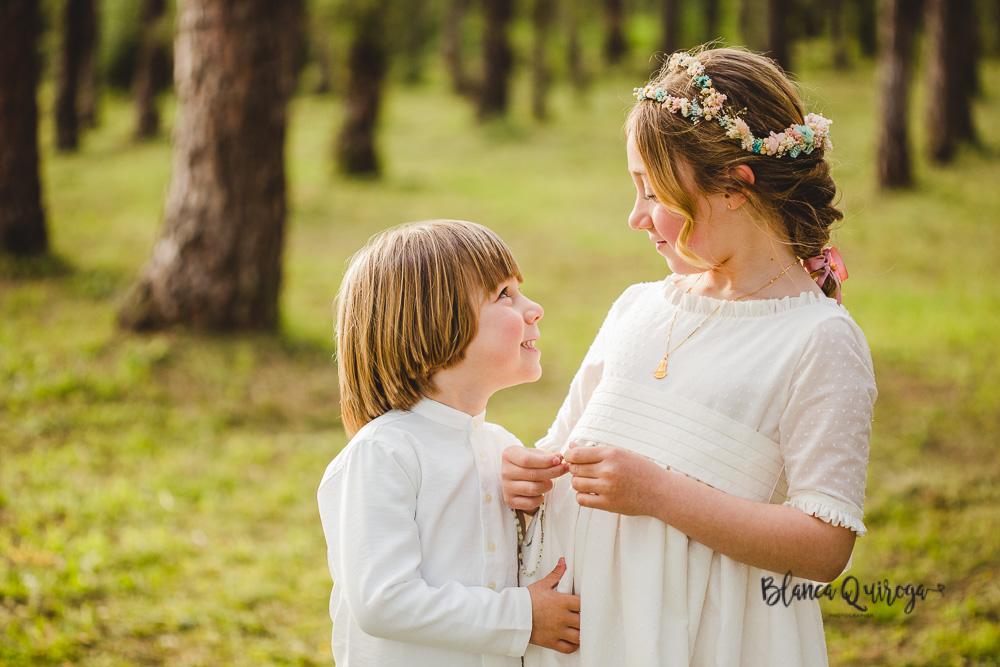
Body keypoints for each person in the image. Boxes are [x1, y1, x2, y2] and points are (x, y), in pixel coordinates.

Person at [502, 48, 877, 666]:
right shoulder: (637, 308)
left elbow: (825, 543)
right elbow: (562, 443)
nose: (635, 216)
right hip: (589, 629)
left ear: (734, 185)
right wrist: (529, 469)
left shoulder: (818, 340)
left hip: (705, 632)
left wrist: (657, 494)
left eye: (653, 192)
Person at [318, 220, 581, 666]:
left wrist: (528, 512)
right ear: (433, 323)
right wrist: (522, 618)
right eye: (504, 295)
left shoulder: (499, 447)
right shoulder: (383, 454)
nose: (533, 308)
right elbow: (384, 602)